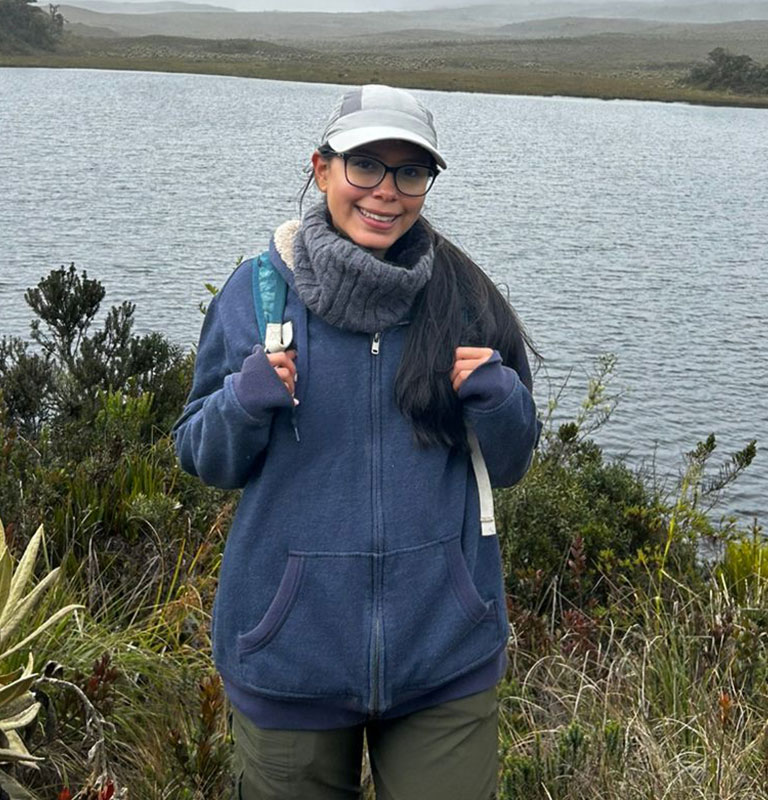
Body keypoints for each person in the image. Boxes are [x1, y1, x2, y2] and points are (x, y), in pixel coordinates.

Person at [173, 84, 540, 800]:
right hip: (288, 662)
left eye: (411, 171)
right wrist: (244, 399)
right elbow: (201, 454)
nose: (386, 191)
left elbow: (513, 460)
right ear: (321, 169)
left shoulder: (466, 299)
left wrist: (499, 399)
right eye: (365, 165)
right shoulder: (256, 295)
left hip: (444, 658)